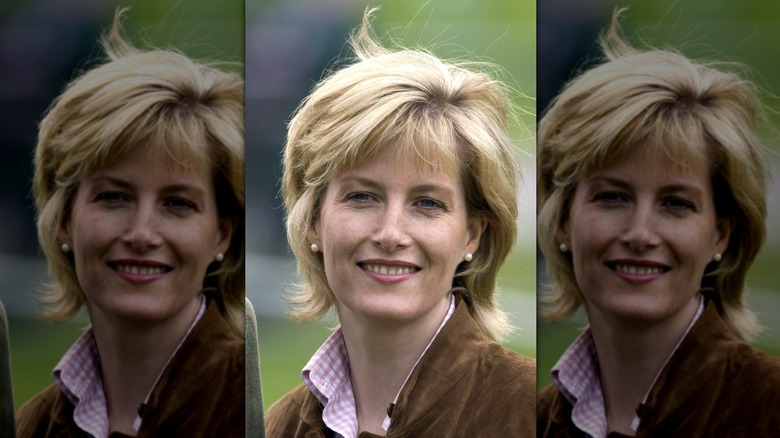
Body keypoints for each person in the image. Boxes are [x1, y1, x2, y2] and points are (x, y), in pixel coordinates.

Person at [265, 9, 536, 438]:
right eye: (362, 197)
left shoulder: (532, 412)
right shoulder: (275, 427)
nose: (391, 233)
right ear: (312, 220)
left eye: (427, 203)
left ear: (472, 234)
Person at [536, 10, 780, 437]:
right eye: (612, 197)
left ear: (721, 233)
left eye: (676, 204)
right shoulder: (531, 421)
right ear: (561, 220)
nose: (640, 234)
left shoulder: (767, 408)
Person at [16, 11, 246, 437]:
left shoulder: (253, 411)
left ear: (222, 234)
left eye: (177, 204)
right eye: (114, 197)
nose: (141, 234)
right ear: (64, 219)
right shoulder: (32, 426)